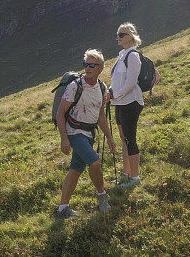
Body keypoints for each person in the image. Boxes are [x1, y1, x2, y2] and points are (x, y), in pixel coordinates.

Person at [56, 49, 116, 220]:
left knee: (75, 170)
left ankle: (62, 209)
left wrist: (110, 137)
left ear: (100, 68)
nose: (87, 68)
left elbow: (101, 115)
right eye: (85, 64)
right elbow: (61, 113)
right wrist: (64, 139)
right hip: (75, 132)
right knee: (95, 162)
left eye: (92, 65)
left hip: (90, 134)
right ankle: (102, 196)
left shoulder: (102, 88)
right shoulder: (75, 86)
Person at [110, 22, 145, 189]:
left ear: (131, 36)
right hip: (120, 102)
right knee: (124, 139)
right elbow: (118, 81)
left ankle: (135, 178)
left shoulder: (132, 56)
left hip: (130, 102)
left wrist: (114, 94)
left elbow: (131, 83)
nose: (118, 37)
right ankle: (126, 173)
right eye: (118, 34)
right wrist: (110, 92)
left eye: (121, 34)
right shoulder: (122, 54)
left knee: (130, 139)